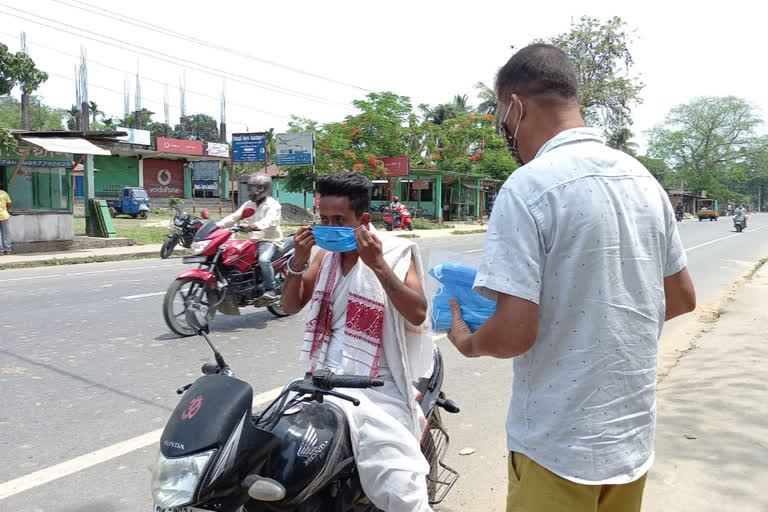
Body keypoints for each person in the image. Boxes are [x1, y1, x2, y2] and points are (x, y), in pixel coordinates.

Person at [447, 44, 697, 512]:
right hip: (630, 441)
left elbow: (515, 333)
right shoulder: (644, 180)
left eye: (503, 121)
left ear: (515, 106)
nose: (508, 135)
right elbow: (681, 297)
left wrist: (470, 340)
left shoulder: (528, 187)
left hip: (556, 446)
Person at [282, 172, 435, 512]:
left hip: (377, 383)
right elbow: (291, 305)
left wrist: (378, 265)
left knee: (400, 484)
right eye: (324, 219)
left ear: (363, 220)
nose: (330, 227)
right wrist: (297, 260)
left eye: (340, 220)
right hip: (323, 378)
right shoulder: (323, 256)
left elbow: (418, 312)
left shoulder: (395, 252)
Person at [217, 173, 282, 300]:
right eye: (250, 188)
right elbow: (234, 217)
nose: (251, 192)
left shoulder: (273, 205)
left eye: (255, 188)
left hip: (270, 240)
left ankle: (270, 289)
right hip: (253, 240)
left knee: (263, 260)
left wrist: (256, 226)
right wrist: (217, 226)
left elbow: (269, 220)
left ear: (264, 189)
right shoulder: (248, 204)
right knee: (232, 257)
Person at [0, 185, 12, 255]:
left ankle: (1, 251)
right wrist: (6, 210)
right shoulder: (4, 193)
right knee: (6, 233)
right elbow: (9, 203)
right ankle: (8, 250)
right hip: (4, 215)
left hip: (4, 215)